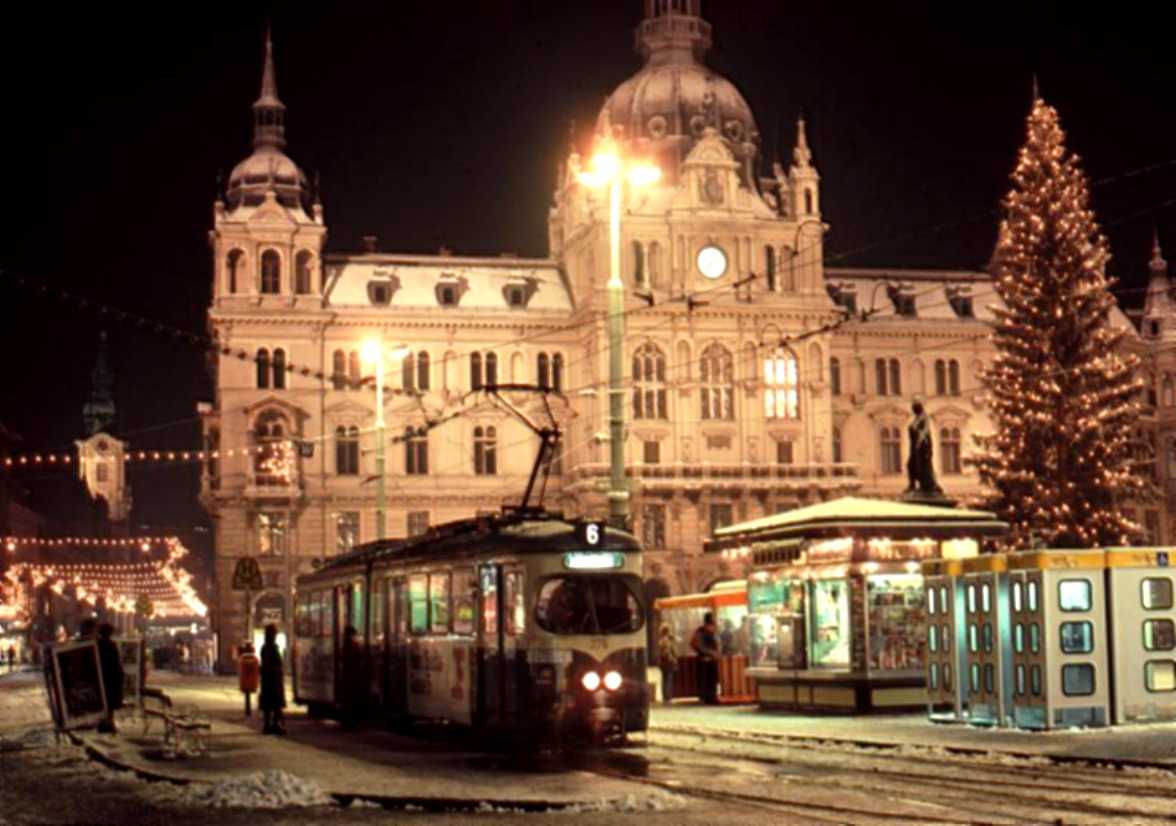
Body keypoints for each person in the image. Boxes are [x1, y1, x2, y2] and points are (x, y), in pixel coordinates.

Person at [905, 400, 944, 496]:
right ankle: (913, 485)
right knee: (911, 465)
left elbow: (925, 432)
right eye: (913, 408)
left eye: (914, 408)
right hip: (915, 447)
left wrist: (919, 441)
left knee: (922, 467)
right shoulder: (917, 419)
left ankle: (926, 486)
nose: (913, 410)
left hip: (922, 448)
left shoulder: (924, 418)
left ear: (919, 408)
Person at [96, 623, 124, 733]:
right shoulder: (111, 645)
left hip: (102, 677)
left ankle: (103, 722)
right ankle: (108, 722)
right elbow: (116, 662)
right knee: (110, 702)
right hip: (111, 678)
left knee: (104, 701)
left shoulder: (97, 645)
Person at [259, 624, 286, 735]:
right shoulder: (272, 648)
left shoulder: (265, 647)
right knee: (275, 703)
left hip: (267, 680)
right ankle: (274, 725)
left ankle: (268, 725)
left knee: (268, 704)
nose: (275, 636)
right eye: (274, 634)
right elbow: (277, 663)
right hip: (273, 680)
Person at [690, 612, 721, 704]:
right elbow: (696, 644)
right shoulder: (700, 632)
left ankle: (711, 696)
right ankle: (707, 697)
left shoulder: (709, 632)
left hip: (711, 660)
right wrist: (710, 653)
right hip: (705, 660)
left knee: (712, 679)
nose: (713, 626)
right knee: (707, 679)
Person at [340, 626, 365, 728]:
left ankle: (347, 721)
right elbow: (358, 658)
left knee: (347, 700)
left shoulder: (345, 645)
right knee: (352, 700)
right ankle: (351, 722)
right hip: (353, 677)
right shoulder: (353, 645)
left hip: (347, 677)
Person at [657, 624, 677, 704]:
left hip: (663, 663)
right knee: (668, 680)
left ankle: (665, 697)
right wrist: (673, 659)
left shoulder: (662, 640)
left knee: (665, 680)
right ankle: (667, 698)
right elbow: (666, 652)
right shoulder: (665, 640)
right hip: (667, 663)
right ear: (667, 631)